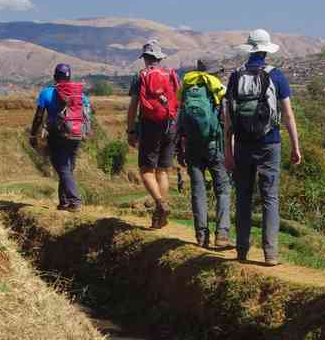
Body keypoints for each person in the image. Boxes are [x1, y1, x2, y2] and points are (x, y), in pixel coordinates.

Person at [224, 29, 301, 266]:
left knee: (243, 197)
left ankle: (242, 250)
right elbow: (287, 114)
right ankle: (270, 253)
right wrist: (296, 146)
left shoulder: (235, 76)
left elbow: (228, 117)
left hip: (243, 145)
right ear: (266, 50)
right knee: (270, 197)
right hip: (270, 143)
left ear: (249, 50)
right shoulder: (276, 76)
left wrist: (228, 150)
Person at [177, 58, 232, 250]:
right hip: (214, 145)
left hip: (192, 146)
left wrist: (179, 147)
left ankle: (201, 236)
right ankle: (222, 234)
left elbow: (179, 118)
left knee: (198, 190)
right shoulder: (218, 89)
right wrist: (229, 148)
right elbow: (226, 120)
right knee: (223, 188)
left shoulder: (187, 88)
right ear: (214, 72)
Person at [127, 40, 180, 229]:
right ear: (159, 57)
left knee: (146, 170)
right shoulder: (172, 74)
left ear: (145, 58)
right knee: (163, 171)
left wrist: (131, 130)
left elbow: (133, 106)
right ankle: (160, 216)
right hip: (171, 125)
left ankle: (159, 203)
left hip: (150, 126)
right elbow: (177, 102)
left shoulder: (140, 76)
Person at [29, 62, 89, 212]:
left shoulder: (47, 93)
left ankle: (75, 201)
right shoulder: (79, 93)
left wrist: (33, 134)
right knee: (68, 168)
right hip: (76, 134)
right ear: (69, 77)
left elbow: (38, 116)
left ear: (55, 76)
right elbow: (87, 113)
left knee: (62, 167)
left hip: (57, 135)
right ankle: (64, 202)